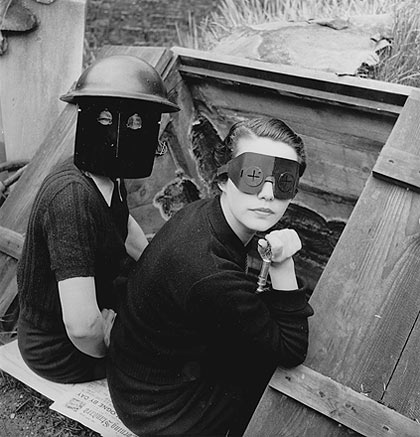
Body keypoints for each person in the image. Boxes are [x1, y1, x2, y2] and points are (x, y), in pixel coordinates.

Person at [108, 117, 314, 436]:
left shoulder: (206, 214)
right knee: (273, 374)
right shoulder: (211, 272)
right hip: (163, 410)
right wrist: (283, 262)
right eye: (253, 176)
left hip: (138, 381)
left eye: (283, 180)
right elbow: (292, 349)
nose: (268, 195)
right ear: (222, 179)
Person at [16, 54, 179, 383]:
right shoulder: (71, 198)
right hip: (58, 348)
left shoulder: (108, 175)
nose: (133, 133)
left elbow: (124, 225)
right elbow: (81, 324)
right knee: (170, 355)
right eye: (110, 119)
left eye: (140, 123)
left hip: (96, 308)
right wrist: (113, 342)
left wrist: (157, 275)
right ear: (90, 120)